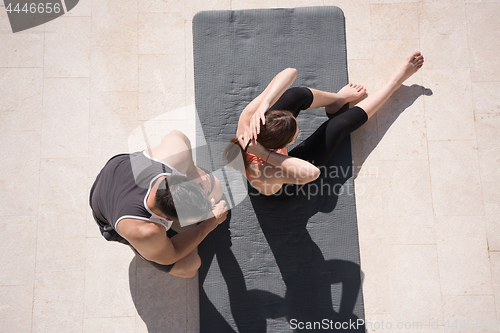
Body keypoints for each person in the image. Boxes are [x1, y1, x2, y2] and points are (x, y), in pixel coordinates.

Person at [225, 51, 424, 195]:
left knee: (295, 95)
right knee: (337, 127)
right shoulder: (265, 173)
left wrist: (265, 102)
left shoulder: (250, 118)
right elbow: (312, 173)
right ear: (282, 146)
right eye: (296, 132)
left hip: (269, 147)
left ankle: (337, 101)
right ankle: (392, 84)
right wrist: (264, 154)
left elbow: (290, 72)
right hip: (286, 177)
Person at [89, 130, 228, 278]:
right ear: (169, 219)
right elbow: (172, 253)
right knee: (190, 266)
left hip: (118, 172)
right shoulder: (144, 231)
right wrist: (210, 223)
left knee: (216, 189)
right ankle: (143, 251)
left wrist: (192, 170)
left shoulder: (176, 156)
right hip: (109, 212)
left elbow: (176, 135)